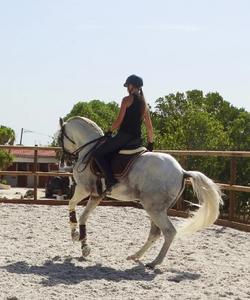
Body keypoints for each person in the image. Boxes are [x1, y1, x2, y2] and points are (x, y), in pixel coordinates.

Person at [93, 74, 154, 193]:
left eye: (128, 85)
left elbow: (118, 121)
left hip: (123, 137)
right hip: (137, 140)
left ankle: (111, 181)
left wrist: (109, 131)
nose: (127, 88)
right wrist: (151, 144)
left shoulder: (127, 100)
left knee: (97, 154)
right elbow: (150, 128)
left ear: (131, 86)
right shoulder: (144, 105)